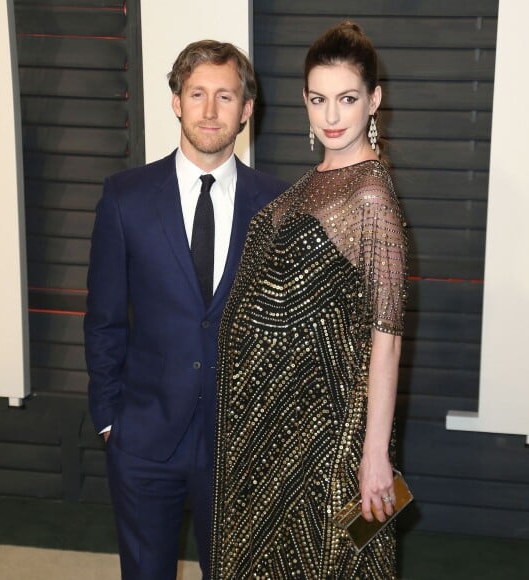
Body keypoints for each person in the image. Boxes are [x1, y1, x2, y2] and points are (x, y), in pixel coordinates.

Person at [84, 40, 287, 579]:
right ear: (176, 101)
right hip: (144, 438)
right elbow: (103, 318)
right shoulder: (125, 198)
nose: (210, 109)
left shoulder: (278, 207)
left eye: (225, 96)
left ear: (247, 110)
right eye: (197, 93)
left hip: (240, 444)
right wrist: (109, 419)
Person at [211, 22, 408, 578]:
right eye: (318, 100)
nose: (332, 116)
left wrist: (375, 456)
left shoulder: (371, 196)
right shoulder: (306, 185)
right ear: (304, 100)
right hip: (267, 431)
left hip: (328, 439)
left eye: (347, 99)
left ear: (374, 99)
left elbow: (387, 338)